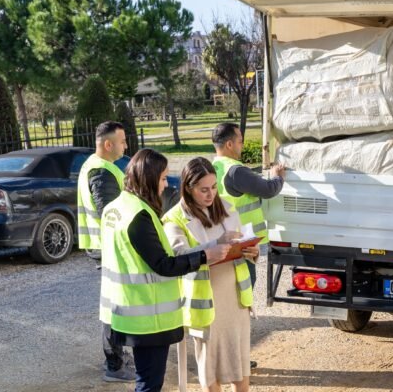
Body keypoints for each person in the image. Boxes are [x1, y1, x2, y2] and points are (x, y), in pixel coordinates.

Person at [100, 149, 231, 392]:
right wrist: (205, 256)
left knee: (145, 380)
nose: (164, 185)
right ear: (148, 178)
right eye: (162, 178)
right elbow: (163, 264)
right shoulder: (139, 215)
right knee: (149, 385)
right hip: (149, 318)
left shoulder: (116, 208)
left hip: (125, 310)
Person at [163, 157, 257, 392]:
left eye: (214, 187)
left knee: (240, 360)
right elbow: (178, 256)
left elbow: (241, 242)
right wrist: (215, 244)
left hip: (235, 299)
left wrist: (251, 252)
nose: (211, 194)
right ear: (188, 187)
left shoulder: (226, 207)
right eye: (204, 189)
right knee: (209, 363)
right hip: (206, 304)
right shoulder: (174, 218)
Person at [211, 123, 285, 370]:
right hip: (243, 248)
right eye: (241, 141)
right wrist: (278, 177)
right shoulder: (235, 171)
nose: (243, 145)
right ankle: (236, 359)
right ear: (230, 144)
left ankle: (226, 357)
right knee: (239, 306)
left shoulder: (214, 168)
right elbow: (267, 190)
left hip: (223, 245)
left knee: (224, 306)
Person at [76, 120, 134, 382]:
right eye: (122, 141)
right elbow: (110, 212)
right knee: (115, 305)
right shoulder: (101, 171)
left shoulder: (95, 165)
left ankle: (117, 359)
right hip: (107, 247)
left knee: (116, 303)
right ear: (108, 144)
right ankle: (114, 365)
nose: (126, 145)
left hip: (103, 245)